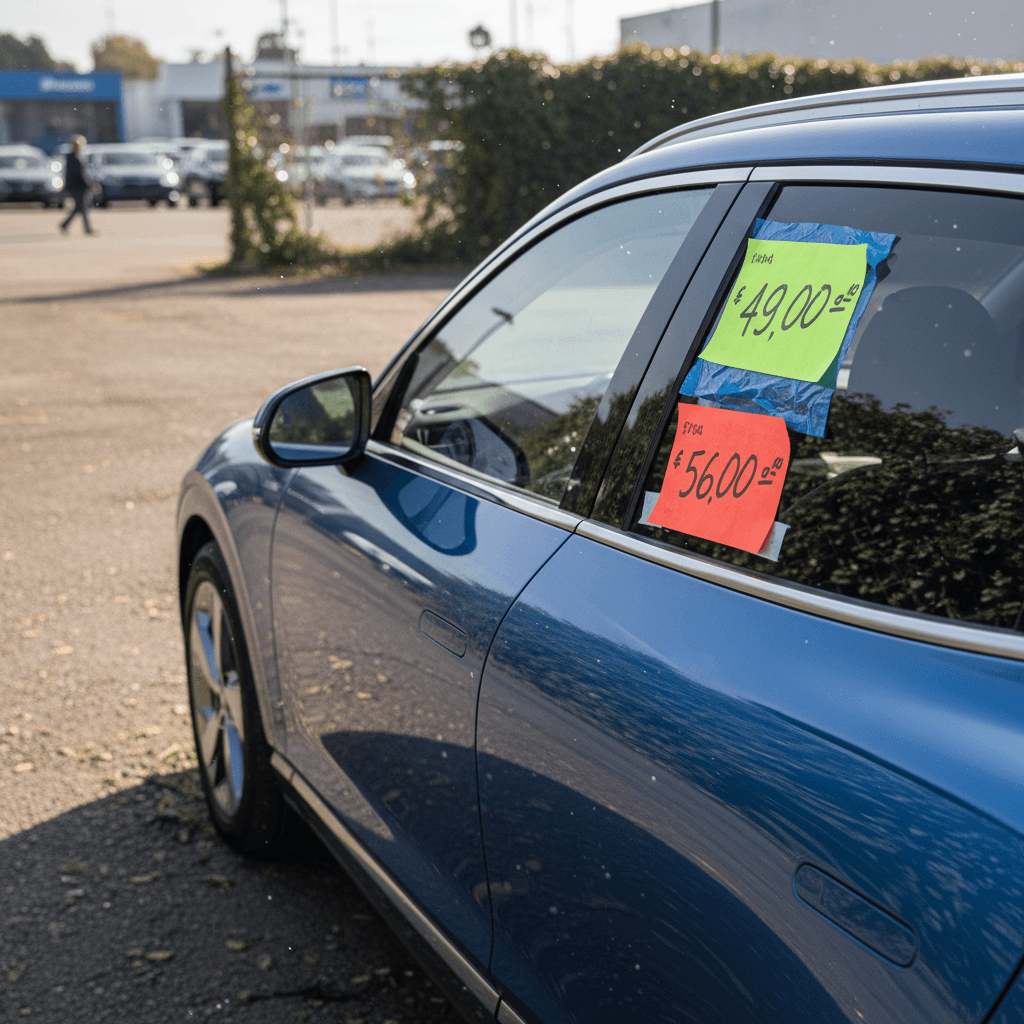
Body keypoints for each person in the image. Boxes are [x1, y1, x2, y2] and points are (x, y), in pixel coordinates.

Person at [59, 136, 93, 235]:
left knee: (81, 208)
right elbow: (78, 174)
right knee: (82, 208)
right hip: (77, 186)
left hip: (80, 186)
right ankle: (86, 229)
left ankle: (65, 224)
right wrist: (89, 184)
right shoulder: (72, 157)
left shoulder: (79, 156)